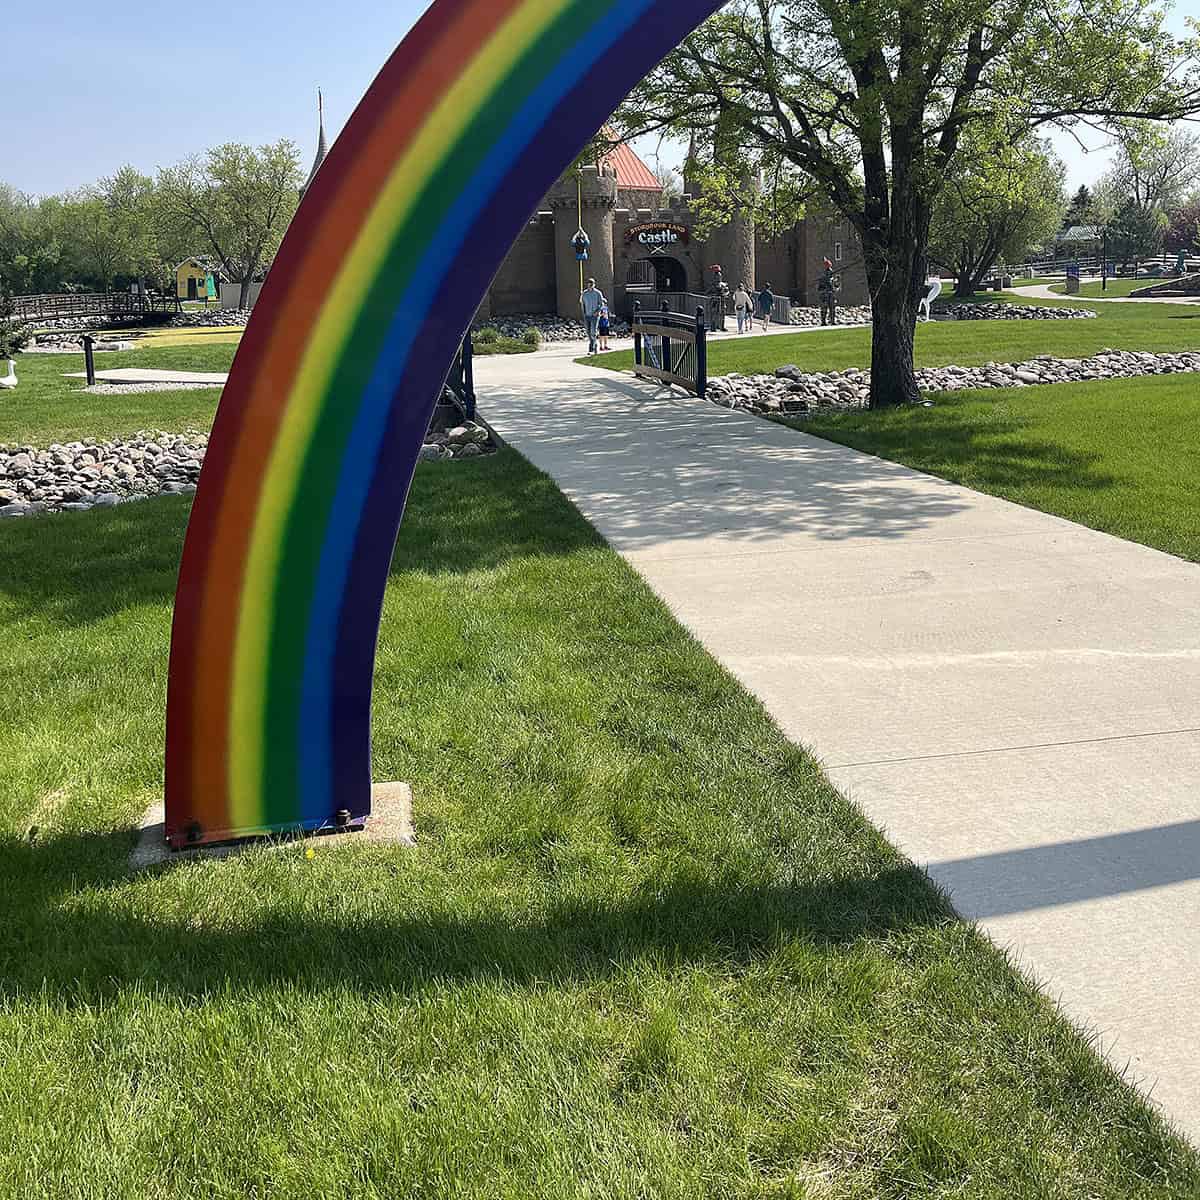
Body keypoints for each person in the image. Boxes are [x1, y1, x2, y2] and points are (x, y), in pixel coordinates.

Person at [580, 278, 606, 353]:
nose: (590, 285)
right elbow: (582, 304)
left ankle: (593, 347)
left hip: (595, 316)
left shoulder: (598, 293)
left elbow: (601, 304)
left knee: (593, 332)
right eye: (589, 283)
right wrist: (583, 313)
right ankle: (592, 343)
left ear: (594, 284)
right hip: (587, 315)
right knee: (588, 332)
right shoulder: (584, 294)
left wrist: (597, 311)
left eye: (592, 283)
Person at [817, 259, 837, 326]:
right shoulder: (823, 275)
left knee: (832, 308)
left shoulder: (832, 275)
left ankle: (832, 321)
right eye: (828, 266)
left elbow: (835, 284)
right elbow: (821, 285)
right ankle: (823, 321)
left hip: (831, 293)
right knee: (824, 308)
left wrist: (834, 284)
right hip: (824, 293)